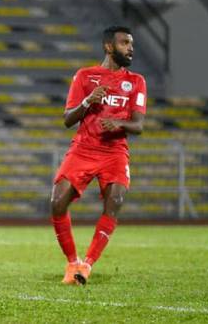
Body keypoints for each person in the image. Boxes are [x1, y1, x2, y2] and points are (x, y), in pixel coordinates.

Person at [50, 26, 147, 285]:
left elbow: (138, 125)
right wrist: (88, 102)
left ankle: (87, 265)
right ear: (108, 47)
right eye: (125, 43)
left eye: (131, 43)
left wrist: (120, 125)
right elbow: (68, 119)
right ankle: (72, 263)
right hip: (83, 148)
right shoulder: (85, 76)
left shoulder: (136, 81)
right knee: (57, 202)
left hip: (115, 152)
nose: (130, 48)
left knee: (114, 202)